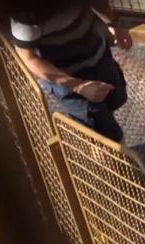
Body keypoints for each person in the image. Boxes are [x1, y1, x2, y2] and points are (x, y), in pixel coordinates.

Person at [10, 0, 132, 141]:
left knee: (116, 98)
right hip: (68, 80)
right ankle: (108, 152)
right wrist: (78, 86)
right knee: (102, 130)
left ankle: (102, 135)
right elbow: (29, 58)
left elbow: (99, 3)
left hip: (98, 57)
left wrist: (115, 25)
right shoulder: (26, 15)